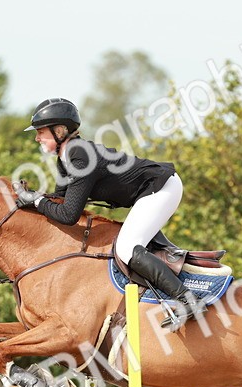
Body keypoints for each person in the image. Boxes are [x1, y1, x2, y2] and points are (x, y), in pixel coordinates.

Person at [16, 98, 202, 329]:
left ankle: (188, 300)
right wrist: (31, 200)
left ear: (60, 130)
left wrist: (36, 201)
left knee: (126, 248)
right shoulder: (65, 159)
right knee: (130, 243)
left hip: (161, 187)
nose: (36, 138)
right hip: (150, 191)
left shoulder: (79, 155)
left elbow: (68, 215)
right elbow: (59, 201)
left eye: (41, 132)